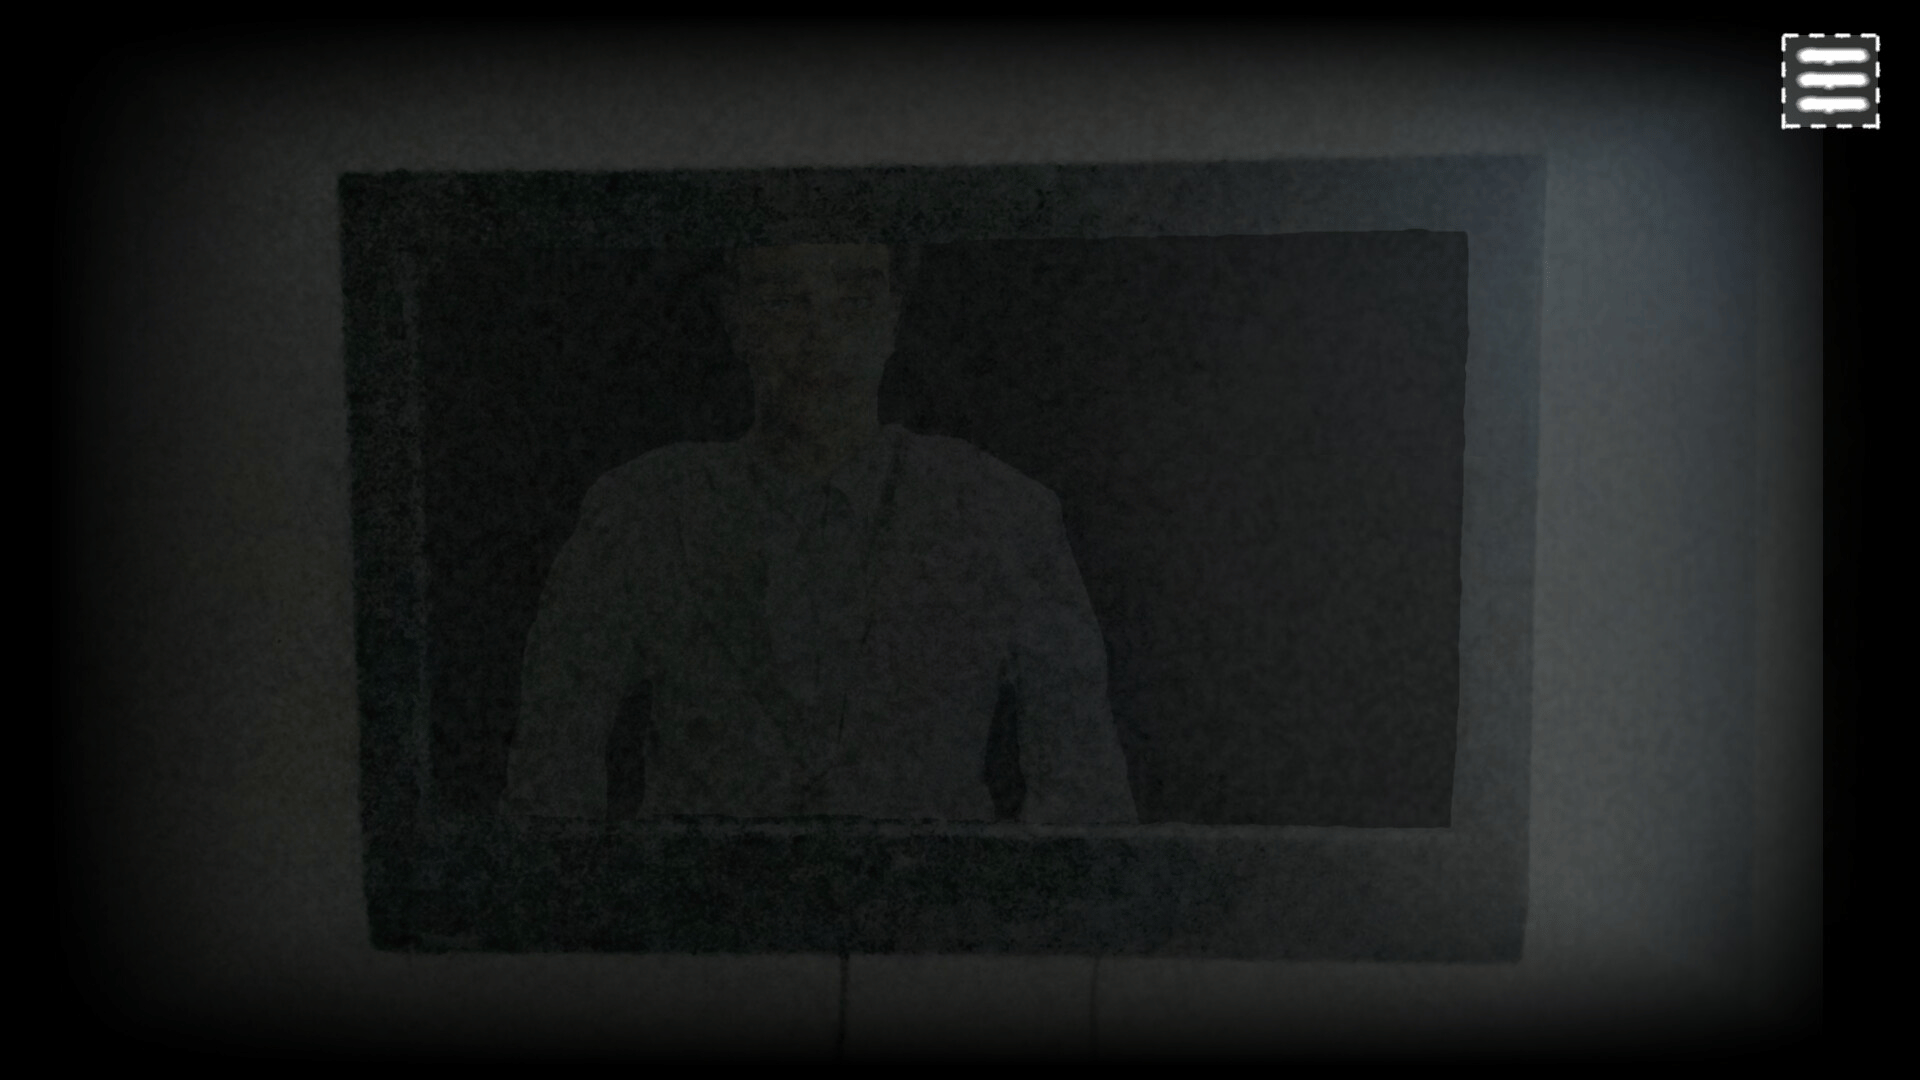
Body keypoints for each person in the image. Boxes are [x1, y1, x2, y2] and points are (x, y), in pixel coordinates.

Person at [502, 242, 1137, 824]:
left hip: (930, 906)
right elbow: (550, 767)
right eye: (785, 301)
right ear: (737, 318)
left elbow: (1085, 789)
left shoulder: (999, 511)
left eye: (853, 301)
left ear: (892, 318)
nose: (821, 338)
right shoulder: (644, 508)